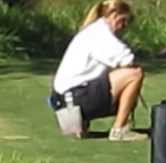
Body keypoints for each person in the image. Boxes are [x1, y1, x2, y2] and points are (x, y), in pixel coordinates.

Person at [51, 0, 147, 141]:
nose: (124, 27)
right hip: (75, 101)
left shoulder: (91, 31)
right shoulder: (101, 33)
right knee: (135, 74)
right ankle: (119, 130)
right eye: (123, 21)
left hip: (64, 103)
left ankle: (81, 125)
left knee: (114, 77)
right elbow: (127, 59)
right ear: (114, 15)